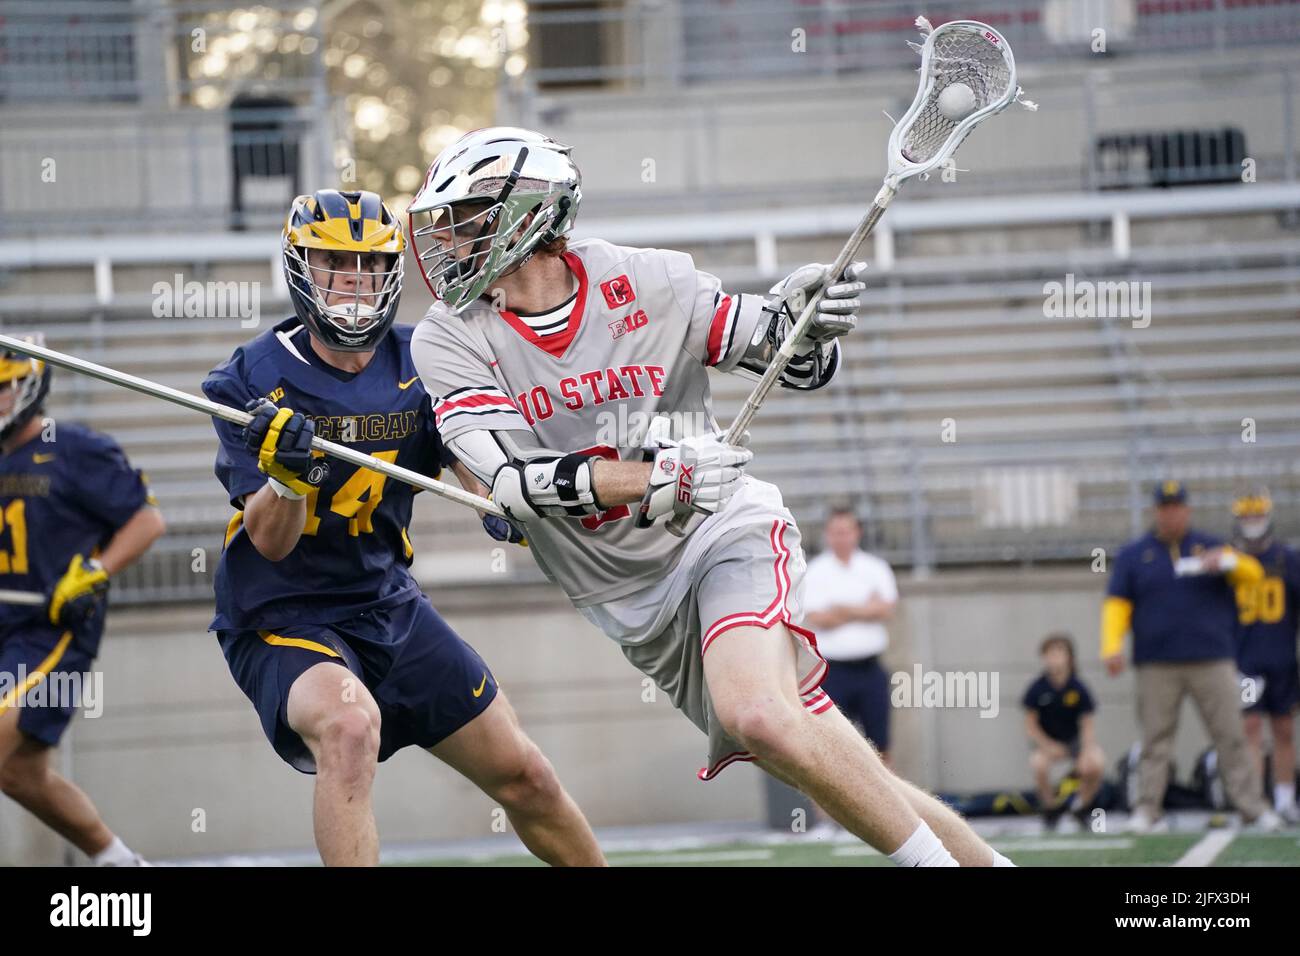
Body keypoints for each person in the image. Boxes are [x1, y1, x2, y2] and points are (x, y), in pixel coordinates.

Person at [407, 127, 1009, 866]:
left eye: (464, 216)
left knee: (759, 714)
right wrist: (659, 479)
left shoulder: (651, 280)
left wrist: (808, 326)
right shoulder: (448, 338)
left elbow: (785, 358)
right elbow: (513, 484)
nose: (446, 237)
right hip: (629, 598)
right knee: (806, 744)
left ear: (527, 214)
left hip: (718, 533)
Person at [201, 188, 603, 866]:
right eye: (335, 264)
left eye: (369, 265)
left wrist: (506, 504)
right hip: (282, 614)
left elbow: (478, 471)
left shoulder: (427, 359)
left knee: (526, 777)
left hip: (387, 603)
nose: (354, 282)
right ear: (300, 268)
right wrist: (287, 478)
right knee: (350, 727)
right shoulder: (252, 378)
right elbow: (270, 540)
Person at [0, 334, 166, 865]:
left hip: (47, 628)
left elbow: (146, 520)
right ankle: (120, 863)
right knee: (19, 772)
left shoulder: (72, 449)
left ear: (29, 386)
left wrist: (95, 571)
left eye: (3, 389)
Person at [1101, 480, 1280, 832]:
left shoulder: (1211, 546)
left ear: (1187, 509)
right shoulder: (1135, 554)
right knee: (1156, 740)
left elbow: (1254, 574)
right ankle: (1147, 809)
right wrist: (1111, 646)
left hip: (1211, 659)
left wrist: (1227, 561)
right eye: (1164, 508)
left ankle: (1253, 807)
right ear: (1156, 511)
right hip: (1156, 662)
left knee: (1231, 734)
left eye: (1176, 507)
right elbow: (1117, 604)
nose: (1171, 514)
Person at [803, 507, 897, 763]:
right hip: (833, 672)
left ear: (858, 533)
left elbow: (886, 609)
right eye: (836, 532)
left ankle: (880, 804)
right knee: (829, 750)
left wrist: (841, 608)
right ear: (827, 534)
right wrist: (866, 608)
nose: (841, 537)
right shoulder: (816, 571)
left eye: (846, 531)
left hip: (870, 669)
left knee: (880, 748)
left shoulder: (875, 567)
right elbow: (818, 618)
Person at [1230, 491, 1299, 824]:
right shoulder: (1230, 561)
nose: (1253, 524)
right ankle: (1255, 801)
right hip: (1246, 660)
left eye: (1257, 516)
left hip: (1282, 658)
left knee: (1284, 729)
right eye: (1247, 517)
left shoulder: (1287, 558)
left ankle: (1285, 799)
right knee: (1251, 728)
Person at [1022, 633, 1104, 831]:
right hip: (1048, 742)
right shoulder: (1037, 688)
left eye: (1059, 652)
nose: (1054, 658)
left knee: (1096, 763)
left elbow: (1087, 724)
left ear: (1069, 657)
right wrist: (1048, 746)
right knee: (1038, 764)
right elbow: (1030, 725)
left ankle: (1082, 807)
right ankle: (1051, 809)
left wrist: (1086, 751)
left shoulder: (1078, 687)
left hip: (1075, 742)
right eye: (1049, 653)